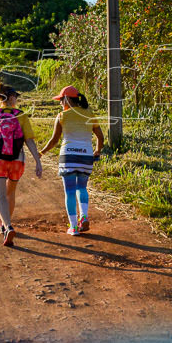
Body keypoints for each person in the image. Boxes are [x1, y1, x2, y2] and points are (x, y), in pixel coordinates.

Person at [0, 83, 42, 246]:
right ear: (11, 97)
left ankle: (7, 226)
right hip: (17, 160)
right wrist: (37, 160)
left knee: (0, 195)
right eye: (16, 96)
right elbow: (29, 140)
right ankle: (4, 224)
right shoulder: (21, 115)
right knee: (10, 193)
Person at [41, 85, 104, 236]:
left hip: (68, 157)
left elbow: (54, 140)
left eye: (61, 100)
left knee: (69, 191)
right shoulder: (90, 114)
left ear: (67, 100)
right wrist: (97, 151)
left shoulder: (62, 116)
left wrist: (41, 152)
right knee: (82, 187)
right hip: (86, 156)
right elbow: (100, 137)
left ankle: (74, 227)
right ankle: (84, 216)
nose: (60, 104)